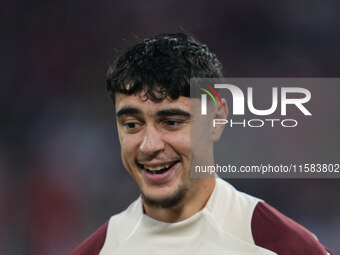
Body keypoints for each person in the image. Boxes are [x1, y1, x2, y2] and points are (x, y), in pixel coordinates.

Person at [69, 33, 332, 255]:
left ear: (217, 120)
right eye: (132, 125)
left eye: (171, 122)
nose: (149, 146)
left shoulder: (282, 247)